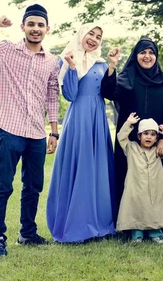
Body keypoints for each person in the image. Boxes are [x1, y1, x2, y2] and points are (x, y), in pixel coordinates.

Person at [0, 4, 60, 257]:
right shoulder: (6, 50)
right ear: (23, 27)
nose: (36, 29)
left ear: (47, 29)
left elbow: (52, 95)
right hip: (10, 128)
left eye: (40, 25)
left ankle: (27, 234)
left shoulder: (51, 61)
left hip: (37, 133)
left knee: (33, 186)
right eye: (31, 24)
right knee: (3, 185)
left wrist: (53, 131)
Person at [46, 24, 116, 243]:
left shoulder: (101, 63)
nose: (94, 39)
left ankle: (100, 225)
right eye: (91, 34)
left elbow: (108, 92)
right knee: (79, 167)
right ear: (81, 35)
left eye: (98, 36)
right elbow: (70, 95)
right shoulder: (66, 59)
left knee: (97, 169)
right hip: (78, 118)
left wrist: (113, 66)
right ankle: (75, 225)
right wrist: (72, 67)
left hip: (97, 119)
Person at [100, 38, 163, 237]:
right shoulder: (127, 77)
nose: (147, 56)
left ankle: (160, 225)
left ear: (156, 56)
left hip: (155, 142)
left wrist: (162, 139)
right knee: (130, 185)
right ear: (136, 55)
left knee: (157, 186)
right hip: (130, 143)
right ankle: (129, 226)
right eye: (143, 52)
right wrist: (112, 66)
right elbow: (108, 92)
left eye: (151, 52)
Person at [116, 115, 163, 244]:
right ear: (139, 136)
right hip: (136, 188)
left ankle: (155, 233)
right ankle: (136, 233)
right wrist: (128, 123)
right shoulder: (131, 148)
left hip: (154, 189)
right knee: (136, 210)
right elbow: (121, 137)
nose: (149, 137)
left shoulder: (158, 151)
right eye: (145, 134)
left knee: (153, 210)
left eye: (152, 134)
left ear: (156, 138)